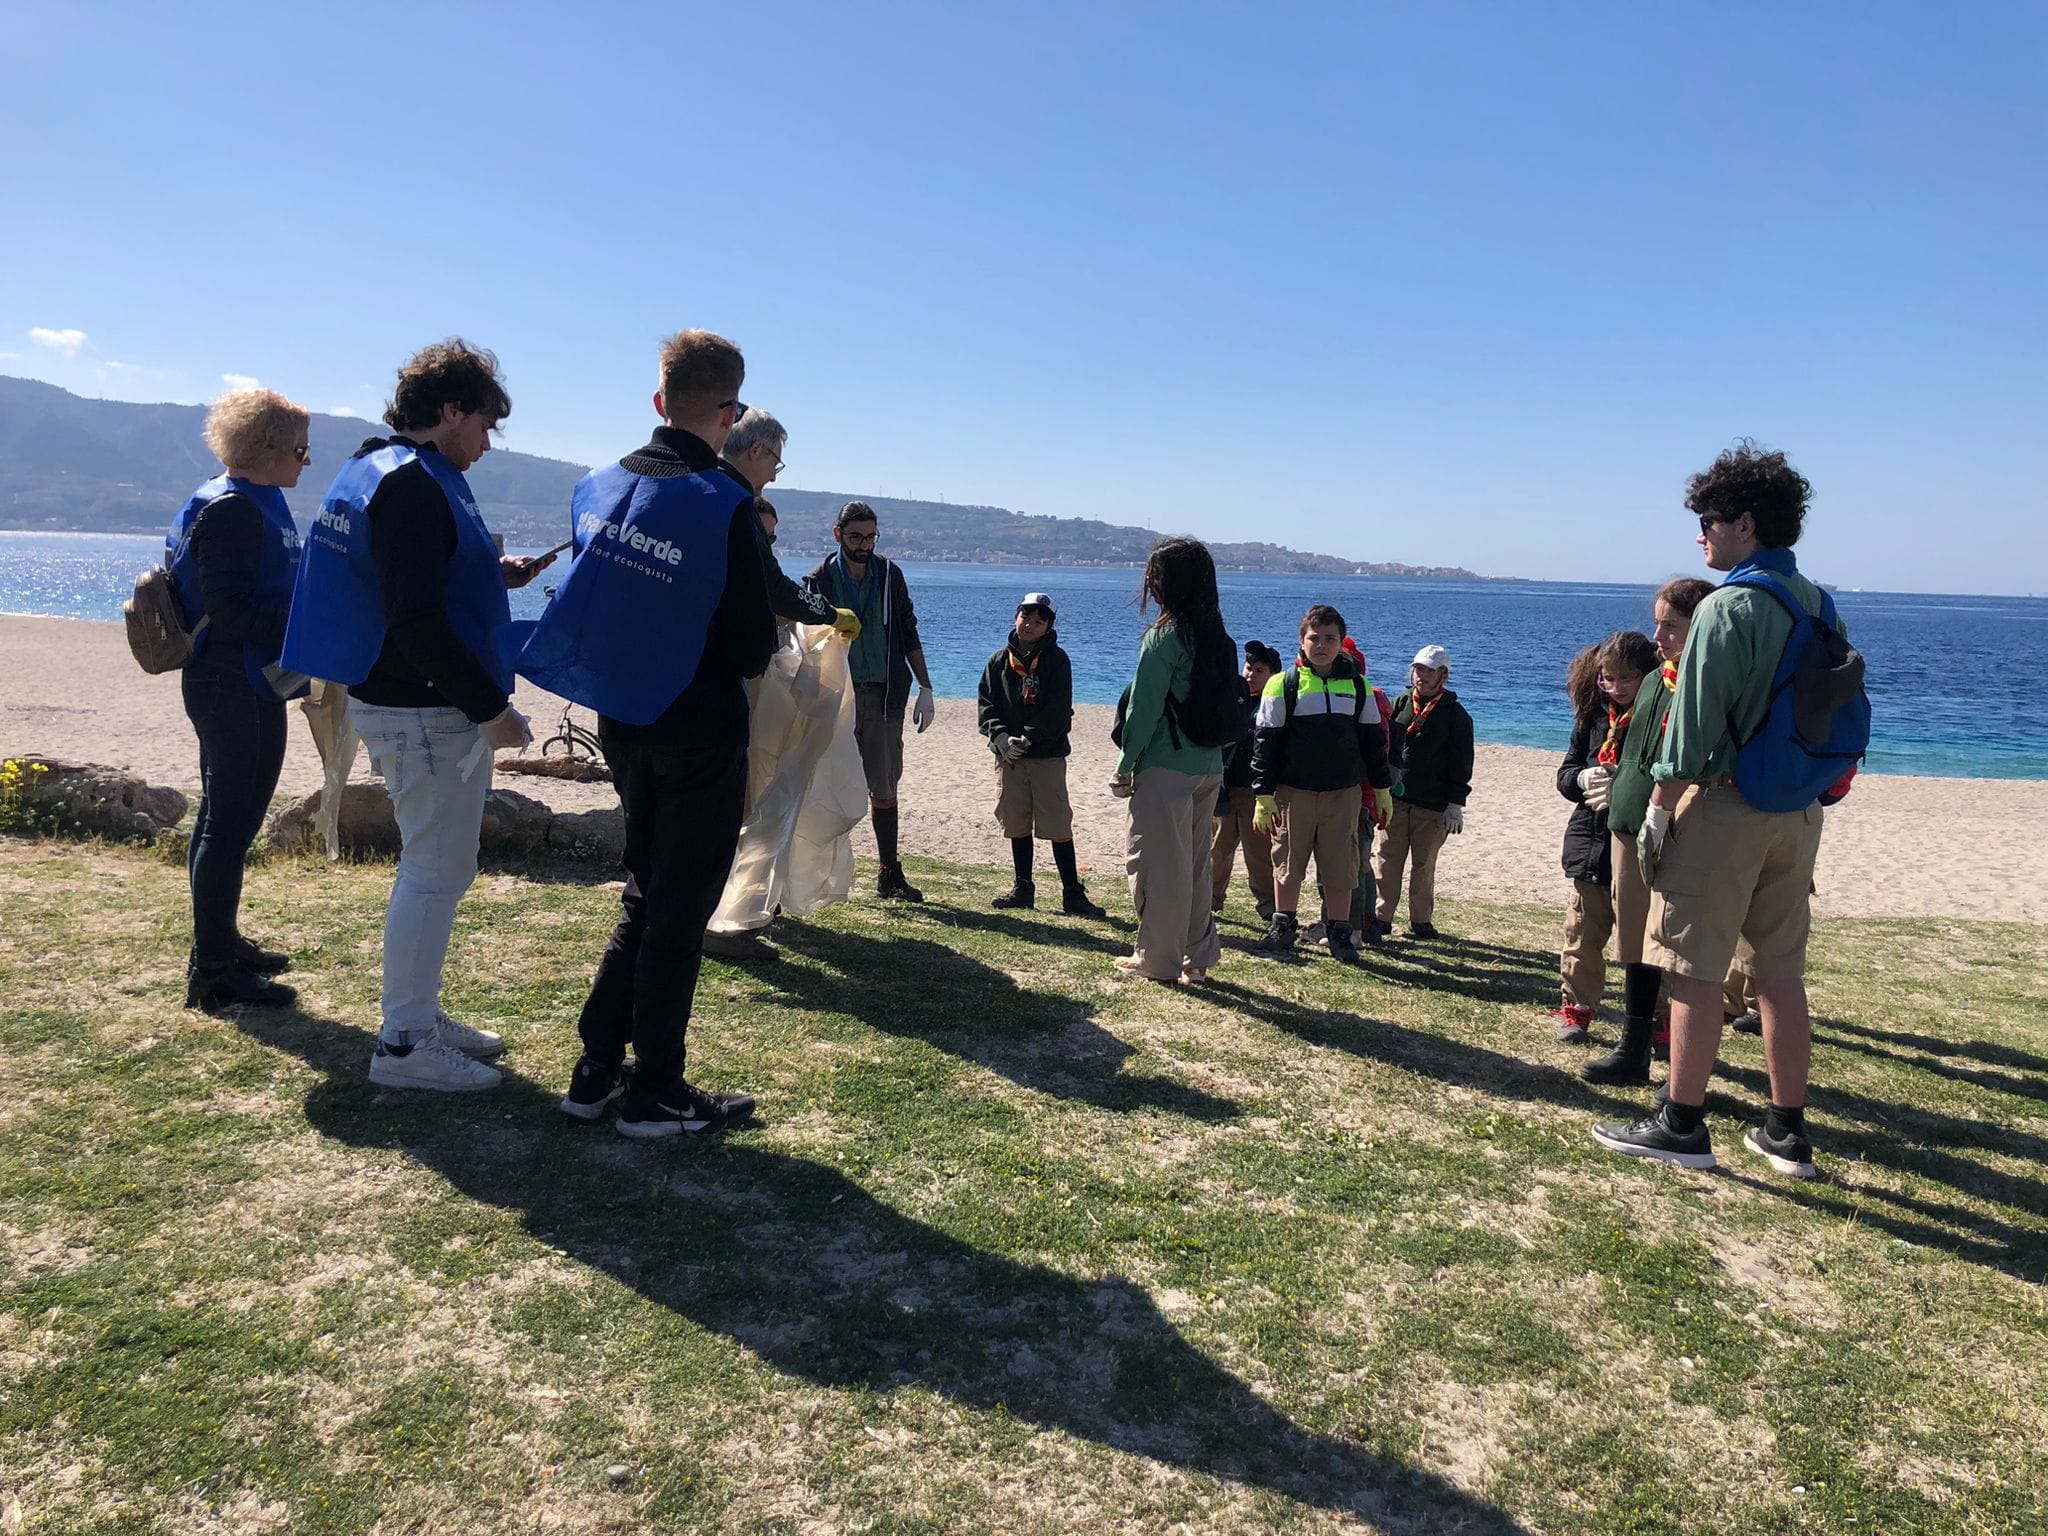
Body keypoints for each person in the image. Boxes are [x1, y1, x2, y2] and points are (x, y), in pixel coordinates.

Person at [513, 329, 776, 1137]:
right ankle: (656, 1089)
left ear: (659, 402)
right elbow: (749, 644)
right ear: (729, 413)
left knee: (646, 891)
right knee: (679, 910)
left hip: (620, 721)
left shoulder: (596, 486)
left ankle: (595, 1071)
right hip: (698, 727)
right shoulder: (726, 501)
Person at [282, 339, 551, 1092]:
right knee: (434, 870)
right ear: (451, 410)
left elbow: (401, 578)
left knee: (439, 865)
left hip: (398, 699)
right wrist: (491, 708)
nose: (488, 443)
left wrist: (491, 573)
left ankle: (418, 1015)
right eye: (486, 424)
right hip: (421, 708)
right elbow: (416, 621)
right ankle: (403, 1043)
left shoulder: (379, 468)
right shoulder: (413, 485)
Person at [1594, 442, 1850, 1177]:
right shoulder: (1816, 600)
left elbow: (1692, 737)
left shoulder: (1727, 608)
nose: (1699, 534)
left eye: (1707, 519)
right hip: (1798, 811)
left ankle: (1681, 1124)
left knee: (1695, 970)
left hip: (1729, 806)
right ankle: (1785, 1130)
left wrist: (1659, 811)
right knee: (1779, 973)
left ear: (1745, 522)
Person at [172, 388, 312, 1014]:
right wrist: (307, 627)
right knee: (228, 825)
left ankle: (222, 941)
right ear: (268, 449)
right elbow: (227, 611)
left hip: (247, 680)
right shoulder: (231, 510)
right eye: (301, 450)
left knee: (227, 821)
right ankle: (214, 972)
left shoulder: (253, 499)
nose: (306, 462)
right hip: (232, 681)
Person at [702, 410, 859, 963]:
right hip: (724, 682)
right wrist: (826, 612)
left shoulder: (697, 491)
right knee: (735, 798)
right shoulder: (732, 502)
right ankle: (719, 921)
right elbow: (769, 587)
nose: (774, 472)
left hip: (707, 677)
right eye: (775, 460)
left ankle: (728, 911)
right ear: (756, 452)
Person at [1580, 579, 1714, 1084]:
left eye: (1671, 626)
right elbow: (1638, 755)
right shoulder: (1658, 678)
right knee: (1634, 943)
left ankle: (1681, 1064)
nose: (1657, 636)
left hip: (1684, 828)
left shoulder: (1709, 681)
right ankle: (1633, 1048)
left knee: (1681, 945)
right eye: (1656, 622)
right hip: (1628, 826)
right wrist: (1613, 784)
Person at [1110, 538, 1231, 984]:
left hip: (1166, 764)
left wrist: (1125, 764)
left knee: (1159, 865)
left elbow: (1144, 710)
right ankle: (1196, 959)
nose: (1150, 583)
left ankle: (1157, 960)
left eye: (1154, 575)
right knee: (1197, 864)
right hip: (1209, 765)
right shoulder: (1219, 636)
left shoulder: (1166, 636)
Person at [805, 503, 936, 901]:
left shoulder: (890, 575)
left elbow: (908, 630)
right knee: (819, 786)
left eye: (870, 536)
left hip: (882, 697)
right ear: (838, 535)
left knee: (884, 785)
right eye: (856, 537)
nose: (863, 545)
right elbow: (805, 643)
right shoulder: (819, 580)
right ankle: (805, 875)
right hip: (835, 697)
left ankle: (889, 873)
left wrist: (925, 687)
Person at [1250, 606, 1394, 965]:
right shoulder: (1283, 684)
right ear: (1302, 641)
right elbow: (1265, 742)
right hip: (1293, 792)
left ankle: (1340, 933)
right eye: (1315, 638)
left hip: (1342, 794)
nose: (1322, 645)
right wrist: (1263, 795)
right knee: (1287, 860)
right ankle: (1283, 927)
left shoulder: (1358, 686)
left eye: (1330, 638)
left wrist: (1381, 789)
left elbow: (1373, 744)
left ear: (1341, 643)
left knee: (1341, 865)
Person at [1551, 632, 1658, 1043]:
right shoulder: (1593, 718)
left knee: (1649, 940)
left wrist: (1630, 785)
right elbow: (1564, 775)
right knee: (1582, 934)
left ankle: (1657, 1019)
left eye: (1625, 679)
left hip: (1639, 844)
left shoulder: (1659, 718)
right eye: (1606, 679)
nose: (1615, 688)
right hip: (1591, 842)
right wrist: (1581, 777)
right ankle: (1577, 1009)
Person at [977, 592, 1105, 916]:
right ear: (1015, 616)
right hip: (1009, 758)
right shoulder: (998, 661)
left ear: (1047, 626)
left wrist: (1028, 737)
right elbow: (986, 705)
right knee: (1017, 823)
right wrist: (1001, 736)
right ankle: (1023, 888)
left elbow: (1059, 711)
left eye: (1038, 620)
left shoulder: (1057, 660)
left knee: (1058, 825)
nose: (1030, 624)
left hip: (1046, 756)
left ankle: (1072, 893)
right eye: (1025, 616)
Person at [1373, 644, 1474, 940]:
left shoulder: (1456, 715)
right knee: (1387, 860)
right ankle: (1382, 918)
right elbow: (1385, 745)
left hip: (1433, 804)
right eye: (1419, 668)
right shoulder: (1401, 702)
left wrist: (1455, 804)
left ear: (1443, 675)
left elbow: (1462, 763)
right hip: (1396, 800)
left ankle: (1420, 921)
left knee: (1424, 864)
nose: (1422, 675)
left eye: (1430, 670)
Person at [1210, 640, 1280, 921]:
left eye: (1259, 670)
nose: (1251, 674)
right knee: (1217, 851)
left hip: (1256, 793)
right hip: (1225, 787)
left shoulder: (1276, 705)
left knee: (1260, 856)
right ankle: (1209, 902)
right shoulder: (1232, 697)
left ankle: (1269, 909)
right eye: (1249, 667)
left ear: (1273, 675)